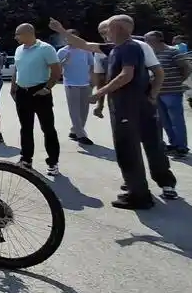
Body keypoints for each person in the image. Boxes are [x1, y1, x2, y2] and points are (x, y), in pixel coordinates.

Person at [50, 17, 179, 204]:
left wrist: (99, 93)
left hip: (130, 106)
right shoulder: (113, 48)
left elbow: (128, 75)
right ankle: (135, 184)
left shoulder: (132, 47)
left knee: (133, 148)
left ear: (117, 28)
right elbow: (85, 44)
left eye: (106, 30)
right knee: (131, 148)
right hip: (129, 105)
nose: (105, 35)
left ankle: (142, 193)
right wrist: (61, 30)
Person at [11, 23, 62, 175]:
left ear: (28, 33)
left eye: (18, 34)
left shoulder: (45, 48)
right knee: (25, 127)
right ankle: (26, 159)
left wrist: (47, 88)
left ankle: (53, 162)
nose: (15, 37)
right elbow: (17, 68)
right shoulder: (19, 50)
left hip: (40, 92)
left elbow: (56, 71)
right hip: (22, 92)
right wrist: (13, 86)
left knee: (47, 128)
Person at [146, 31, 192, 157]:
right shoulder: (152, 54)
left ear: (158, 40)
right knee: (164, 121)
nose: (147, 43)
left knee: (176, 120)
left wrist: (178, 81)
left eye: (149, 40)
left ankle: (182, 147)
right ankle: (173, 144)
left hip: (172, 91)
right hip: (158, 92)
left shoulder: (173, 52)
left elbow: (187, 68)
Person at [58, 30, 95, 145]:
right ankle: (81, 135)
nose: (70, 39)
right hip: (71, 84)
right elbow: (55, 69)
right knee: (74, 110)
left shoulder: (85, 50)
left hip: (85, 83)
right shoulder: (62, 51)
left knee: (84, 110)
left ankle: (75, 131)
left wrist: (92, 81)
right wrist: (64, 61)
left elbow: (92, 65)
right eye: (67, 37)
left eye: (73, 37)